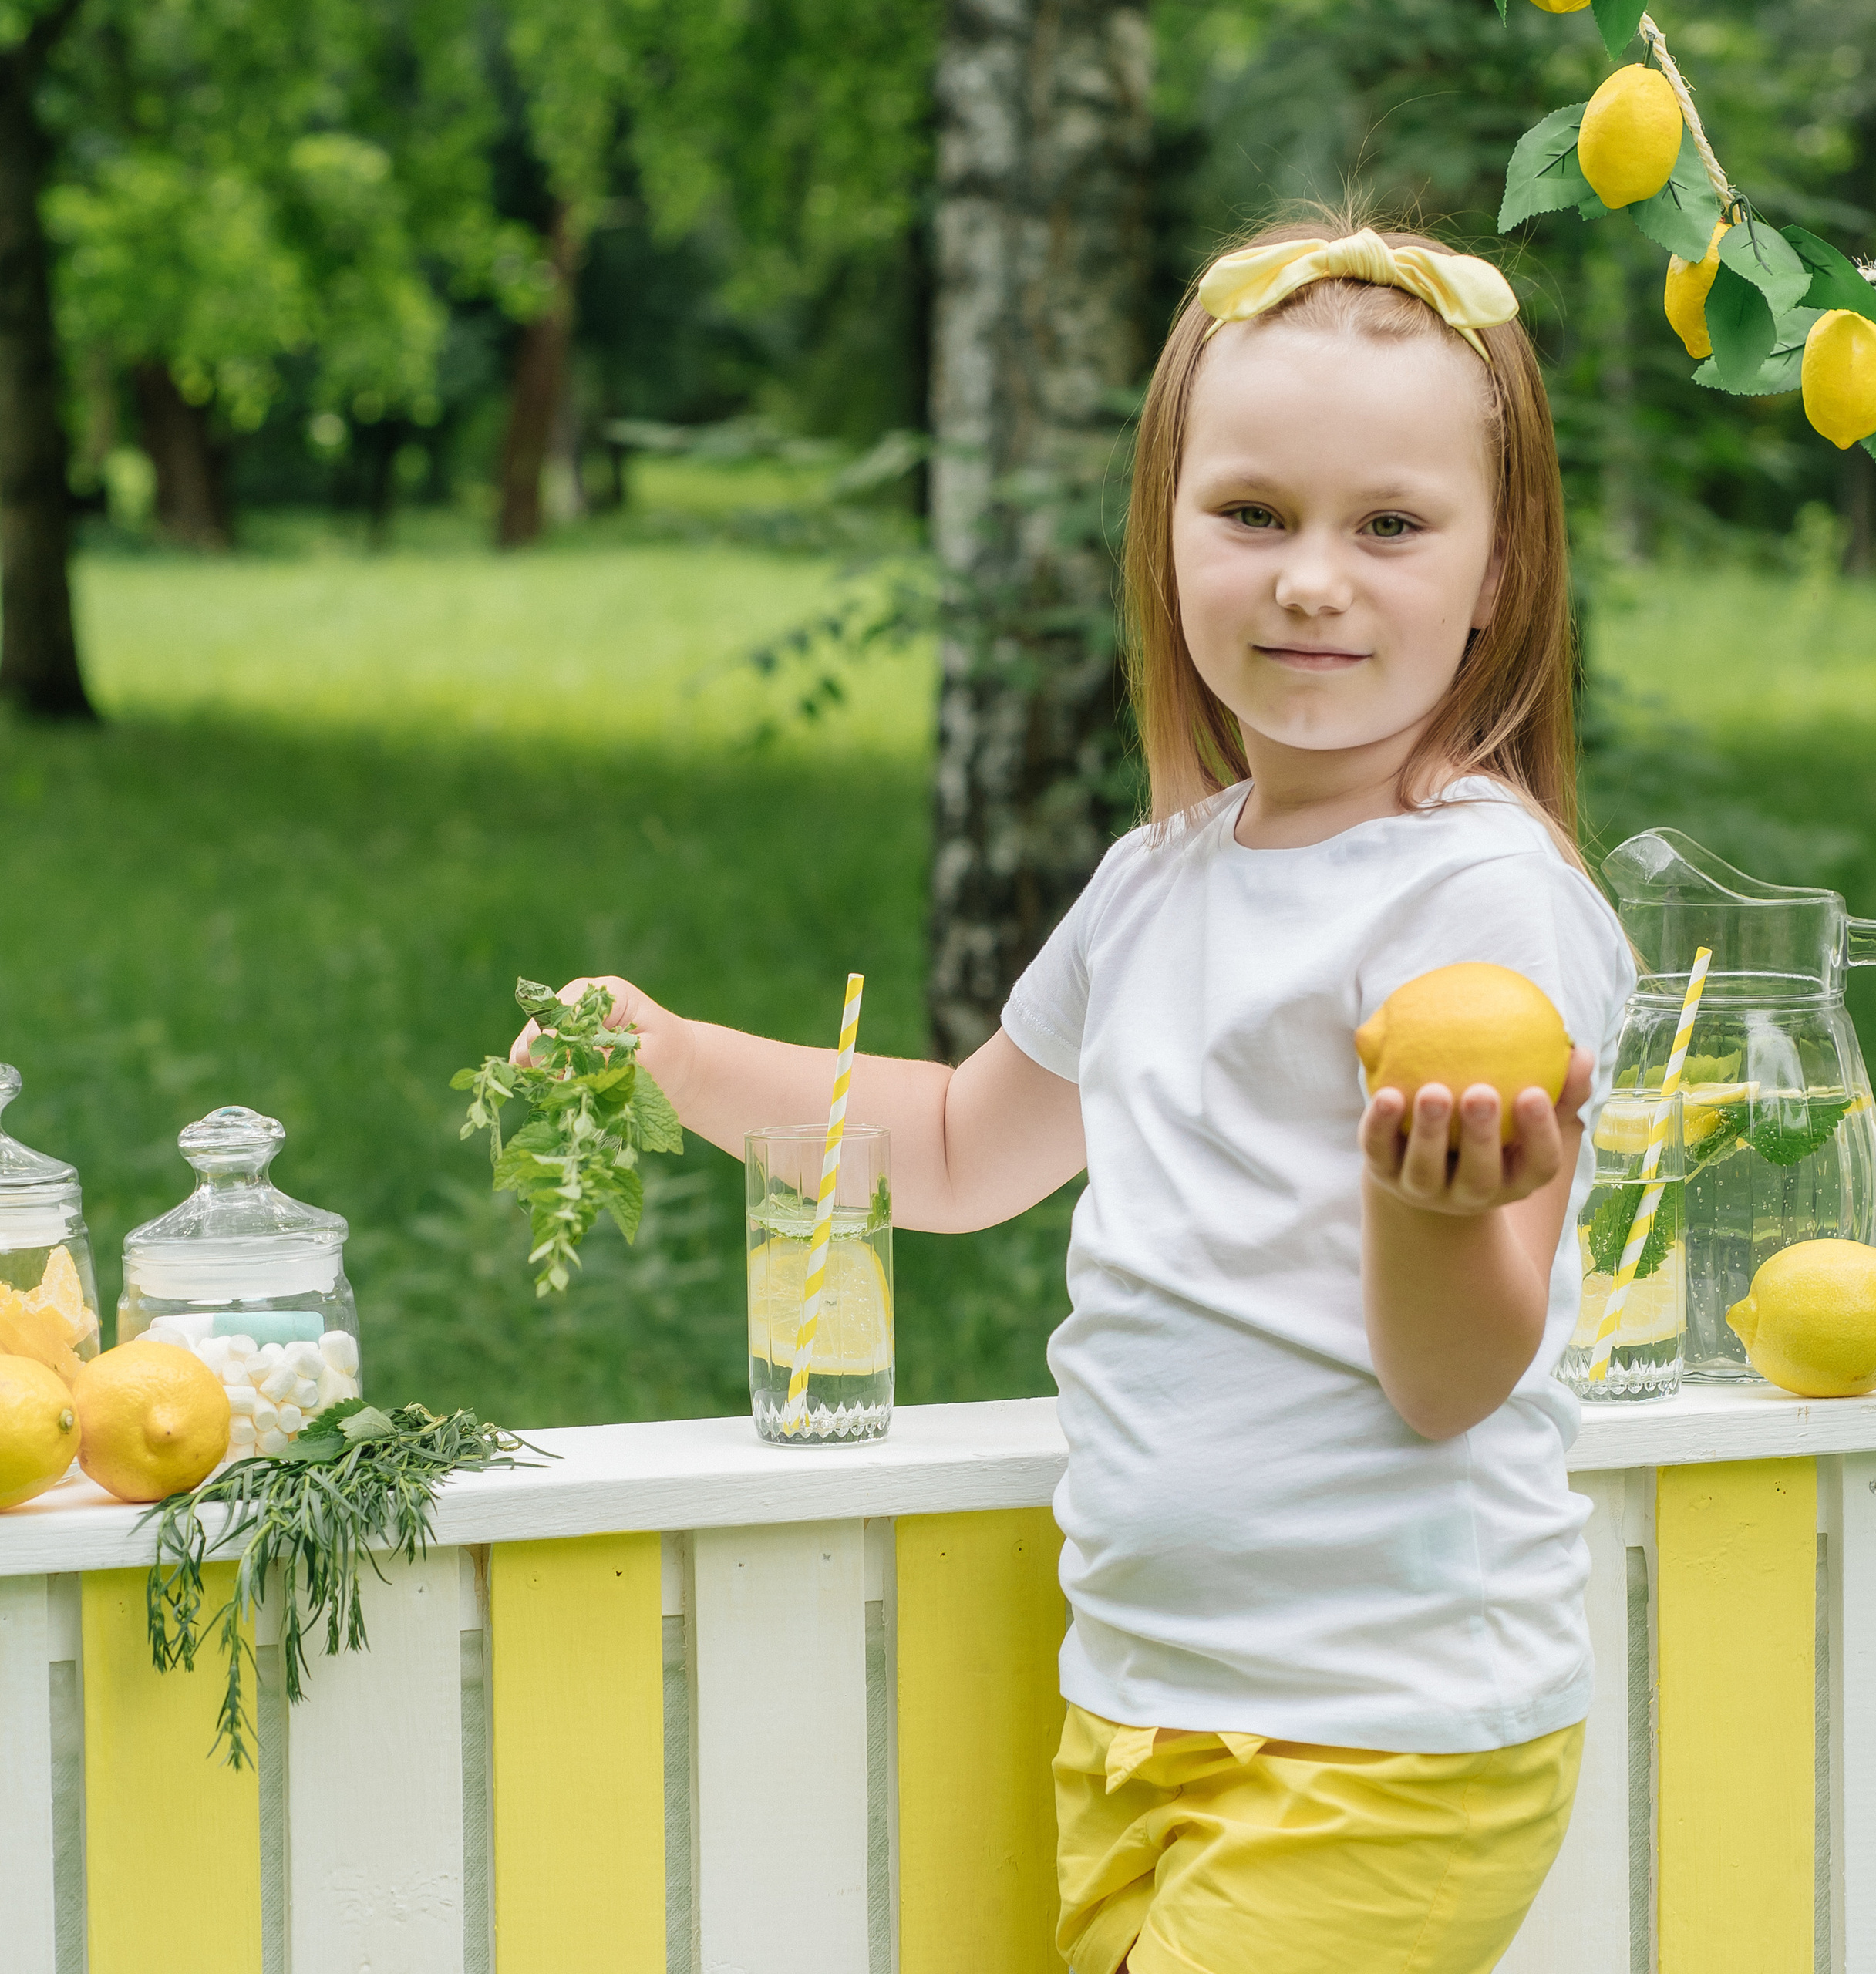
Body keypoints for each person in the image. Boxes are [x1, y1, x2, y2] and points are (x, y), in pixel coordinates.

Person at [515, 208, 1636, 1974]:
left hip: (1384, 1737)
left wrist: (1428, 1209)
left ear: (1498, 570)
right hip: (1140, 1705)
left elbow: (1448, 1379)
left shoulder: (1471, 906)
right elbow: (961, 1149)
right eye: (1251, 511)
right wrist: (668, 1055)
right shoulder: (1158, 879)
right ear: (1167, 530)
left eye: (1391, 525)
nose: (1309, 576)